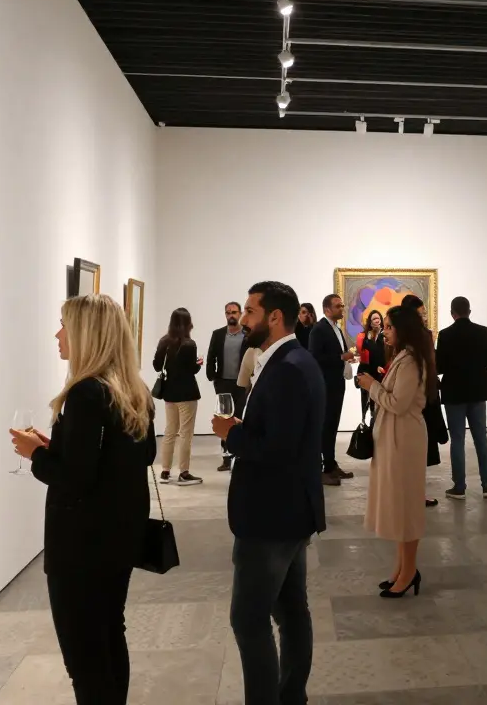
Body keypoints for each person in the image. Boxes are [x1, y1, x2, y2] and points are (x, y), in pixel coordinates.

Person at [9, 293, 156, 704]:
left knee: (85, 660)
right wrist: (54, 446)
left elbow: (75, 479)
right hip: (120, 537)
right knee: (110, 634)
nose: (57, 333)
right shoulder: (135, 390)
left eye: (63, 324)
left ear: (86, 334)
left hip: (81, 546)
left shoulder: (86, 394)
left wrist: (36, 454)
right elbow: (137, 458)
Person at [210, 281, 326, 705]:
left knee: (249, 619)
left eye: (252, 311)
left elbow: (275, 450)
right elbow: (285, 439)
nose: (243, 318)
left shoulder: (289, 368)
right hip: (290, 510)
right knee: (292, 611)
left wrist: (231, 436)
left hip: (272, 514)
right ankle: (291, 696)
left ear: (275, 317)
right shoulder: (292, 361)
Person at [358, 305, 435, 598]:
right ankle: (402, 568)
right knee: (399, 506)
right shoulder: (403, 357)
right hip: (394, 438)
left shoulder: (412, 361)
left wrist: (371, 386)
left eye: (389, 326)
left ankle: (409, 570)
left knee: (407, 508)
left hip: (405, 440)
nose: (385, 331)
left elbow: (399, 403)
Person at [436, 296, 487, 500]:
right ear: (469, 311)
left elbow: (440, 367)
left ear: (452, 313)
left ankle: (459, 486)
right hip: (478, 390)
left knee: (457, 439)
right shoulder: (483, 331)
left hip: (454, 392)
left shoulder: (445, 335)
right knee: (481, 437)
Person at [401, 294, 446, 507]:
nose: (425, 317)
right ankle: (411, 493)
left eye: (425, 313)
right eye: (421, 313)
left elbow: (430, 363)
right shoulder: (408, 337)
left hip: (424, 397)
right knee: (412, 448)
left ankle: (415, 493)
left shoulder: (423, 335)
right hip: (413, 396)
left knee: (419, 448)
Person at [307, 294, 356, 486]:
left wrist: (343, 358)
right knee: (324, 426)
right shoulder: (319, 330)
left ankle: (330, 463)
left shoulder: (336, 328)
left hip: (336, 384)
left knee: (332, 426)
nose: (342, 309)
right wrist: (341, 357)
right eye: (338, 306)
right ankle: (322, 468)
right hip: (325, 385)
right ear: (327, 309)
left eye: (342, 306)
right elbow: (315, 357)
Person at [152, 308, 203, 485]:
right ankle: (184, 472)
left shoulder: (164, 342)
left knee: (169, 432)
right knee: (186, 434)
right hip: (187, 394)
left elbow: (157, 366)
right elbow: (191, 370)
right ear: (188, 323)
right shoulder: (190, 344)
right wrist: (199, 364)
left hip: (170, 394)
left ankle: (165, 472)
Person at [206, 302, 247, 472]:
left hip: (242, 383)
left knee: (239, 418)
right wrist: (213, 377)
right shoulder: (218, 334)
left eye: (234, 312)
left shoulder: (247, 334)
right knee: (224, 419)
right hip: (223, 382)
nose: (231, 315)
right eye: (228, 312)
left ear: (240, 313)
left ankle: (239, 454)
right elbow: (211, 356)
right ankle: (225, 458)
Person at [355, 309, 386, 419]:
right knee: (364, 398)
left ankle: (374, 421)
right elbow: (361, 351)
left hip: (380, 371)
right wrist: (368, 338)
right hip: (367, 369)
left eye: (378, 318)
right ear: (370, 322)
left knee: (376, 399)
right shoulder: (365, 336)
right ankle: (363, 420)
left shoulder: (385, 334)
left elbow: (382, 353)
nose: (377, 320)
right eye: (374, 319)